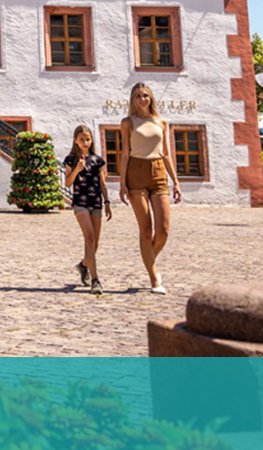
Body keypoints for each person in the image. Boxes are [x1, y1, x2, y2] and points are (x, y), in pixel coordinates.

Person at [119, 82, 182, 294]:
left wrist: (176, 182)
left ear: (151, 98)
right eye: (138, 96)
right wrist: (122, 184)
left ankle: (149, 259)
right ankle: (154, 278)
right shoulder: (128, 122)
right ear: (133, 99)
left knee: (163, 230)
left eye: (145, 95)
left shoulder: (161, 122)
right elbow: (125, 154)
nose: (142, 99)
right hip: (135, 172)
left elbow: (167, 154)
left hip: (158, 172)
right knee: (146, 229)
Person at [63, 125, 111, 295]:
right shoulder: (71, 160)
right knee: (89, 237)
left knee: (95, 243)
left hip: (96, 201)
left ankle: (83, 265)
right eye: (82, 139)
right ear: (75, 140)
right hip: (80, 203)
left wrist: (107, 201)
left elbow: (102, 183)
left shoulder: (98, 160)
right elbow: (67, 183)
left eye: (88, 139)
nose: (85, 142)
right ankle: (95, 280)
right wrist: (77, 169)